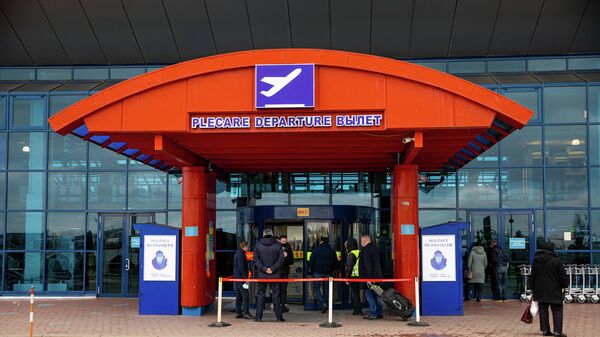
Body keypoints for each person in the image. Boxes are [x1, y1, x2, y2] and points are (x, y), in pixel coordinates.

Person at [529, 242, 569, 337]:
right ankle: (558, 332)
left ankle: (545, 331)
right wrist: (565, 285)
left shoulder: (536, 261)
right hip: (554, 291)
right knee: (557, 311)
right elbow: (563, 277)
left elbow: (532, 277)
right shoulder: (557, 261)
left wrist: (532, 288)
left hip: (540, 290)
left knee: (543, 311)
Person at [253, 228, 285, 322]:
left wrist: (264, 269)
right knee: (276, 296)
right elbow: (281, 259)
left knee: (260, 295)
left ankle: (258, 317)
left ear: (263, 234)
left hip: (262, 274)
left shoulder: (257, 245)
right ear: (272, 234)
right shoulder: (278, 245)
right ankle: (279, 318)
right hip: (275, 274)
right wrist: (273, 268)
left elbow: (255, 259)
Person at [309, 237, 338, 313]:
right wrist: (331, 270)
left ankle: (323, 303)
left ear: (321, 242)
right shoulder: (331, 251)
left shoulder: (316, 250)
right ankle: (325, 304)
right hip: (328, 273)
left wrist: (312, 270)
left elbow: (311, 261)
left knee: (316, 288)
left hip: (317, 272)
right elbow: (336, 263)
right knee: (326, 289)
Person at [359, 235, 384, 320]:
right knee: (377, 295)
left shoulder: (365, 251)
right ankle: (379, 312)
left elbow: (368, 266)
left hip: (369, 278)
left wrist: (368, 279)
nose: (361, 242)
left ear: (365, 240)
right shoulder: (375, 249)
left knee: (369, 296)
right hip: (377, 277)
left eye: (362, 241)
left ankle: (373, 313)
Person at [233, 241, 253, 319]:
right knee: (245, 295)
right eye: (247, 247)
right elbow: (242, 267)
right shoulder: (241, 255)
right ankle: (246, 313)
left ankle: (238, 312)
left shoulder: (237, 253)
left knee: (239, 295)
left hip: (237, 277)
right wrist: (246, 278)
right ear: (243, 247)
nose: (248, 248)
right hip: (241, 278)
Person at [344, 238, 362, 315]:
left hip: (354, 276)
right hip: (361, 276)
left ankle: (357, 310)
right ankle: (358, 309)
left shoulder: (351, 254)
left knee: (355, 294)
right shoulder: (360, 252)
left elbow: (349, 267)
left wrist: (347, 278)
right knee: (358, 294)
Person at [278, 235, 294, 313]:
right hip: (276, 272)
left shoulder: (289, 249)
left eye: (285, 241)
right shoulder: (276, 247)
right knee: (277, 289)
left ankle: (283, 305)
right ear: (280, 241)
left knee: (283, 289)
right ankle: (276, 305)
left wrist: (287, 256)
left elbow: (291, 261)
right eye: (282, 241)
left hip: (284, 272)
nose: (284, 243)